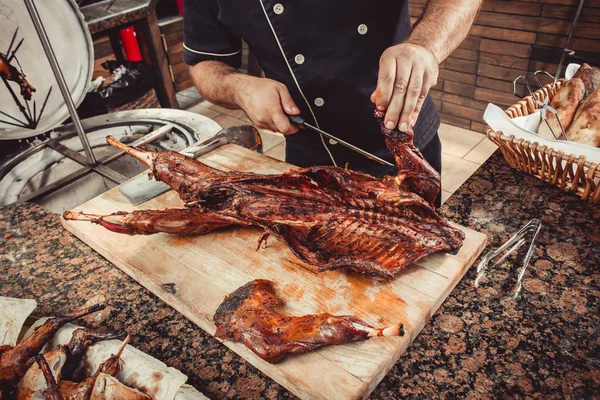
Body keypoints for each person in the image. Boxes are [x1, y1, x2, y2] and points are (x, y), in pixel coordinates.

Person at [183, 0, 482, 184]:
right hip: (308, 154)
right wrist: (239, 88)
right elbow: (204, 63)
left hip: (405, 146)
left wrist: (425, 45)